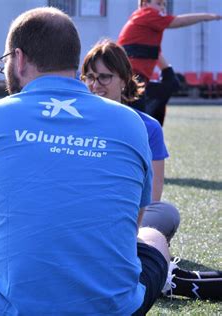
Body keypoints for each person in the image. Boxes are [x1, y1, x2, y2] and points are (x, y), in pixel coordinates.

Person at [0, 7, 171, 315]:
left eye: (5, 61)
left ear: (18, 59)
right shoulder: (133, 123)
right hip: (116, 308)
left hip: (5, 309)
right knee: (152, 235)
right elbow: (130, 230)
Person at [81, 39, 222, 301]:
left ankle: (160, 273)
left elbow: (152, 198)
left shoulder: (148, 127)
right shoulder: (75, 122)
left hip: (128, 218)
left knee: (166, 211)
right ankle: (165, 276)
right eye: (89, 77)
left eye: (104, 77)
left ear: (124, 80)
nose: (94, 85)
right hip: (84, 216)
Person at [117, 0, 222, 125]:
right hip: (132, 78)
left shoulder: (146, 25)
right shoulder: (147, 14)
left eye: (164, 5)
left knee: (170, 84)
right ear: (145, 4)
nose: (162, 8)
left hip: (134, 77)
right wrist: (206, 16)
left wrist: (168, 72)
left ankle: (150, 126)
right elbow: (179, 21)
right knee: (137, 119)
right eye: (158, 3)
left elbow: (155, 53)